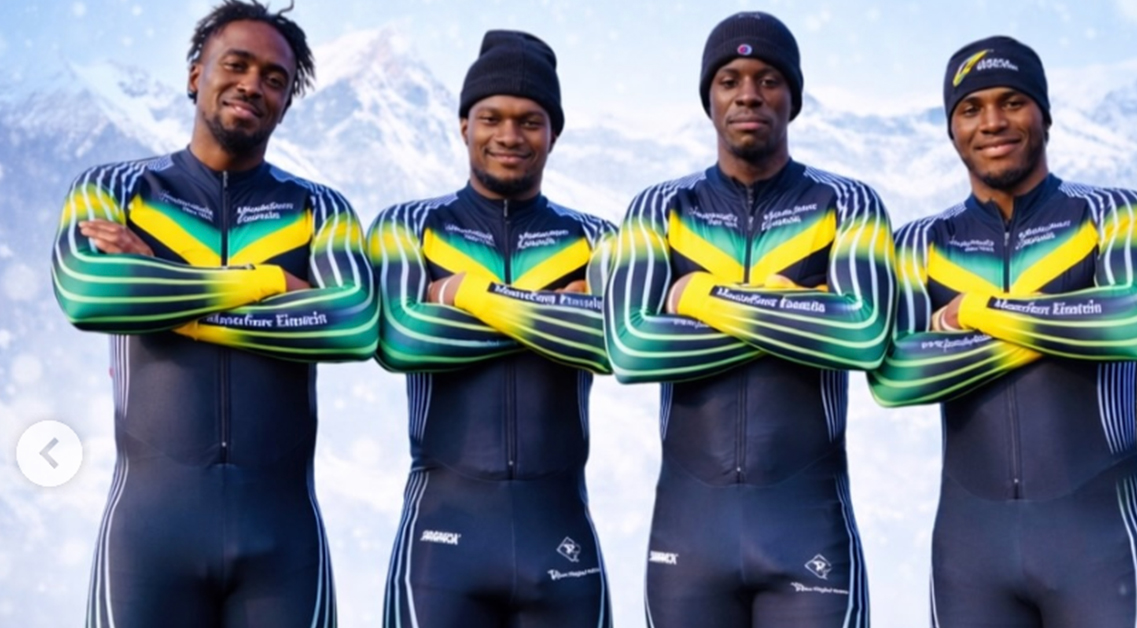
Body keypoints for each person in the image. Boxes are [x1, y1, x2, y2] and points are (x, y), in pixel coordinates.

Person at [50, 1, 377, 625]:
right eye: (236, 64)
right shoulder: (116, 189)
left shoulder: (320, 209)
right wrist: (271, 281)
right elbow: (88, 294)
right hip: (148, 538)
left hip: (283, 544)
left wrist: (163, 286)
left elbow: (355, 323)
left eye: (275, 79)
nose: (253, 84)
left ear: (285, 103)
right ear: (195, 74)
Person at [869, 35, 1137, 627]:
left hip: (1100, 547)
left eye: (1012, 101)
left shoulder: (1114, 214)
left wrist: (976, 312)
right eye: (971, 108)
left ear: (1045, 114)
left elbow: (1136, 321)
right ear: (952, 129)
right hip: (969, 562)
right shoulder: (918, 245)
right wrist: (1068, 321)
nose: (992, 122)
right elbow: (896, 374)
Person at [604, 12, 895, 627]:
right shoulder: (659, 209)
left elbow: (865, 335)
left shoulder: (847, 204)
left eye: (768, 79)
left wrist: (700, 297)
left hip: (807, 529)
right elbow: (629, 347)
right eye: (729, 80)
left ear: (793, 97)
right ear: (708, 98)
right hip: (688, 538)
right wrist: (796, 307)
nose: (748, 95)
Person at [368, 30, 615, 628]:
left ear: (554, 133)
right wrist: (552, 314)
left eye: (530, 121)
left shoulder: (599, 239)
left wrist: (461, 294)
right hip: (441, 542)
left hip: (560, 537)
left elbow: (619, 346)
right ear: (463, 126)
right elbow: (401, 339)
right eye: (491, 118)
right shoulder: (408, 226)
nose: (509, 136)